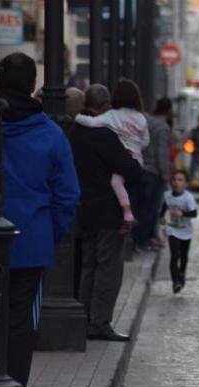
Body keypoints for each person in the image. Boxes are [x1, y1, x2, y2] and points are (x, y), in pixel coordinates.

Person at [0, 52, 80, 387]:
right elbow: (67, 197)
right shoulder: (50, 135)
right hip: (30, 241)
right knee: (20, 322)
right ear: (35, 85)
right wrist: (49, 234)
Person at [70, 83, 143, 342]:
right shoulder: (105, 133)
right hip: (108, 210)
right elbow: (129, 168)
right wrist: (135, 166)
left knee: (89, 264)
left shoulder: (75, 131)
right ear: (104, 106)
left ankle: (83, 316)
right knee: (108, 267)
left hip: (84, 208)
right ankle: (99, 322)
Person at [75, 79, 150, 229]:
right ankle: (128, 215)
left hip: (91, 203)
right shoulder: (140, 118)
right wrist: (136, 147)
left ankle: (126, 212)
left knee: (116, 182)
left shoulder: (112, 116)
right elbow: (146, 140)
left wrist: (76, 117)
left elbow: (92, 123)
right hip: (135, 156)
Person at [137, 97, 174, 251]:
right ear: (169, 110)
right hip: (154, 172)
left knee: (141, 207)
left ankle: (139, 238)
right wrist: (165, 173)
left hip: (142, 168)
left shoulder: (147, 122)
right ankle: (145, 239)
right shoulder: (163, 127)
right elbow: (162, 153)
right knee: (152, 208)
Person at [161, 170, 198, 294]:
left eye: (180, 180)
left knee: (183, 257)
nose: (176, 182)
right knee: (174, 256)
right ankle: (175, 282)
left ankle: (182, 272)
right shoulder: (168, 195)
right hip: (173, 230)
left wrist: (183, 213)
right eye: (174, 180)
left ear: (185, 184)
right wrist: (161, 217)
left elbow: (194, 213)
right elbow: (165, 206)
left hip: (186, 232)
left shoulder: (188, 197)